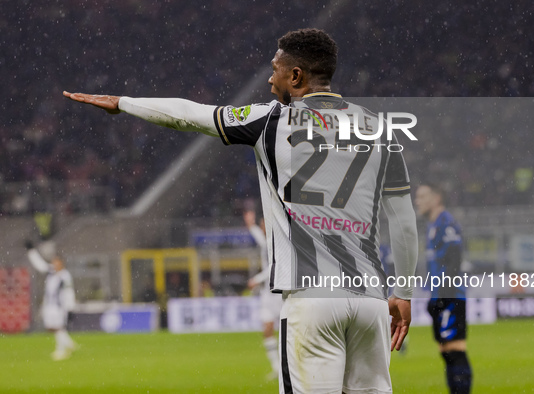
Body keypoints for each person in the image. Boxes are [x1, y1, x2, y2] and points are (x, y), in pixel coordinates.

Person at [63, 28, 418, 393]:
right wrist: (403, 293)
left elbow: (189, 115)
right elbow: (404, 223)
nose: (269, 78)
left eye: (275, 68)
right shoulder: (379, 129)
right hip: (370, 300)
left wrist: (124, 102)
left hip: (312, 300)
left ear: (295, 76)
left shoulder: (271, 120)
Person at [414, 183, 473, 394]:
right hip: (441, 296)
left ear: (437, 198)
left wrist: (442, 297)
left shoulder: (446, 223)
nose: (417, 201)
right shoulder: (433, 225)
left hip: (450, 298)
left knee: (455, 351)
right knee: (447, 352)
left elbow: (454, 260)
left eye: (422, 196)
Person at [244, 209, 282, 380]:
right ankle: (276, 368)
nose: (262, 227)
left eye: (263, 224)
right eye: (261, 224)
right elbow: (259, 237)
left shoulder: (279, 244)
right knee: (267, 329)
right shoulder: (266, 242)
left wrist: (256, 279)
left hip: (280, 294)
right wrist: (250, 225)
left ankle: (289, 366)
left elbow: (273, 268)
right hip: (268, 295)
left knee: (287, 332)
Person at [25, 241, 78, 361]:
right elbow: (39, 264)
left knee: (58, 327)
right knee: (52, 328)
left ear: (61, 264)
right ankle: (69, 344)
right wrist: (31, 252)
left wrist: (70, 307)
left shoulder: (65, 276)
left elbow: (69, 292)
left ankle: (61, 350)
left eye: (57, 262)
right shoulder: (51, 271)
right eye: (54, 262)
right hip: (49, 305)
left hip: (60, 306)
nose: (54, 264)